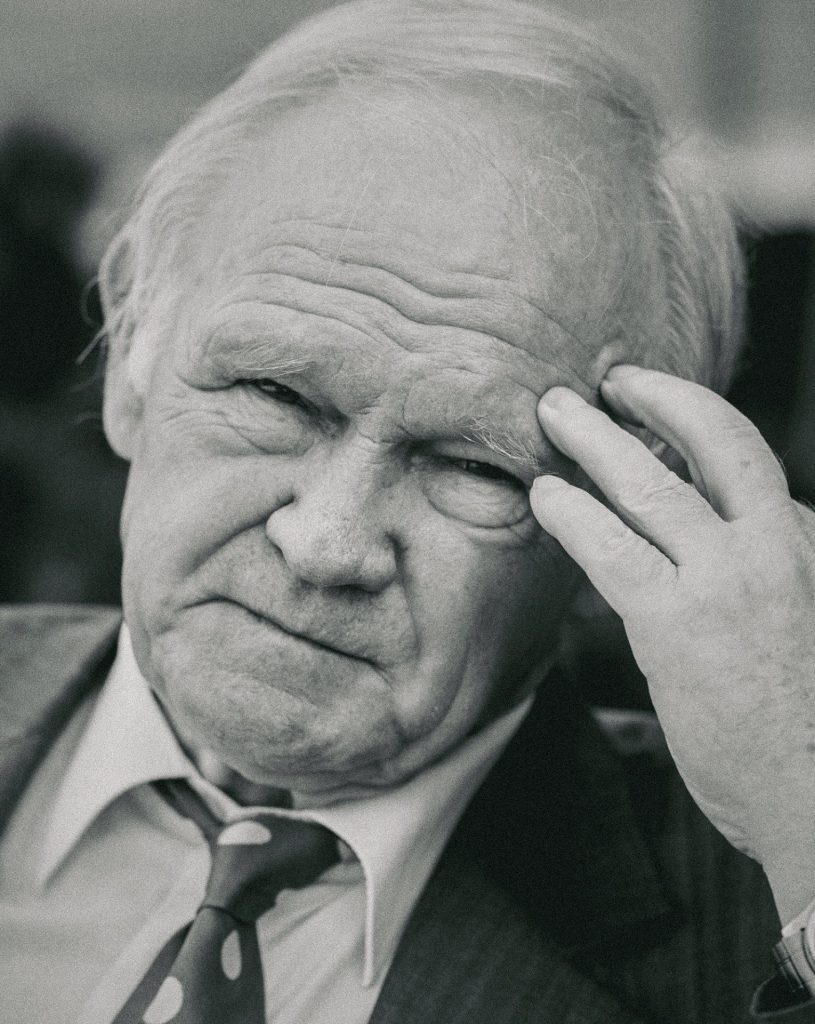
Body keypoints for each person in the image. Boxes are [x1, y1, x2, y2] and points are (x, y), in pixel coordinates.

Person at [2, 1, 815, 1021]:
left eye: (472, 463)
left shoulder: (767, 898)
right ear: (133, 351)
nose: (324, 543)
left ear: (628, 513)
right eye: (274, 394)